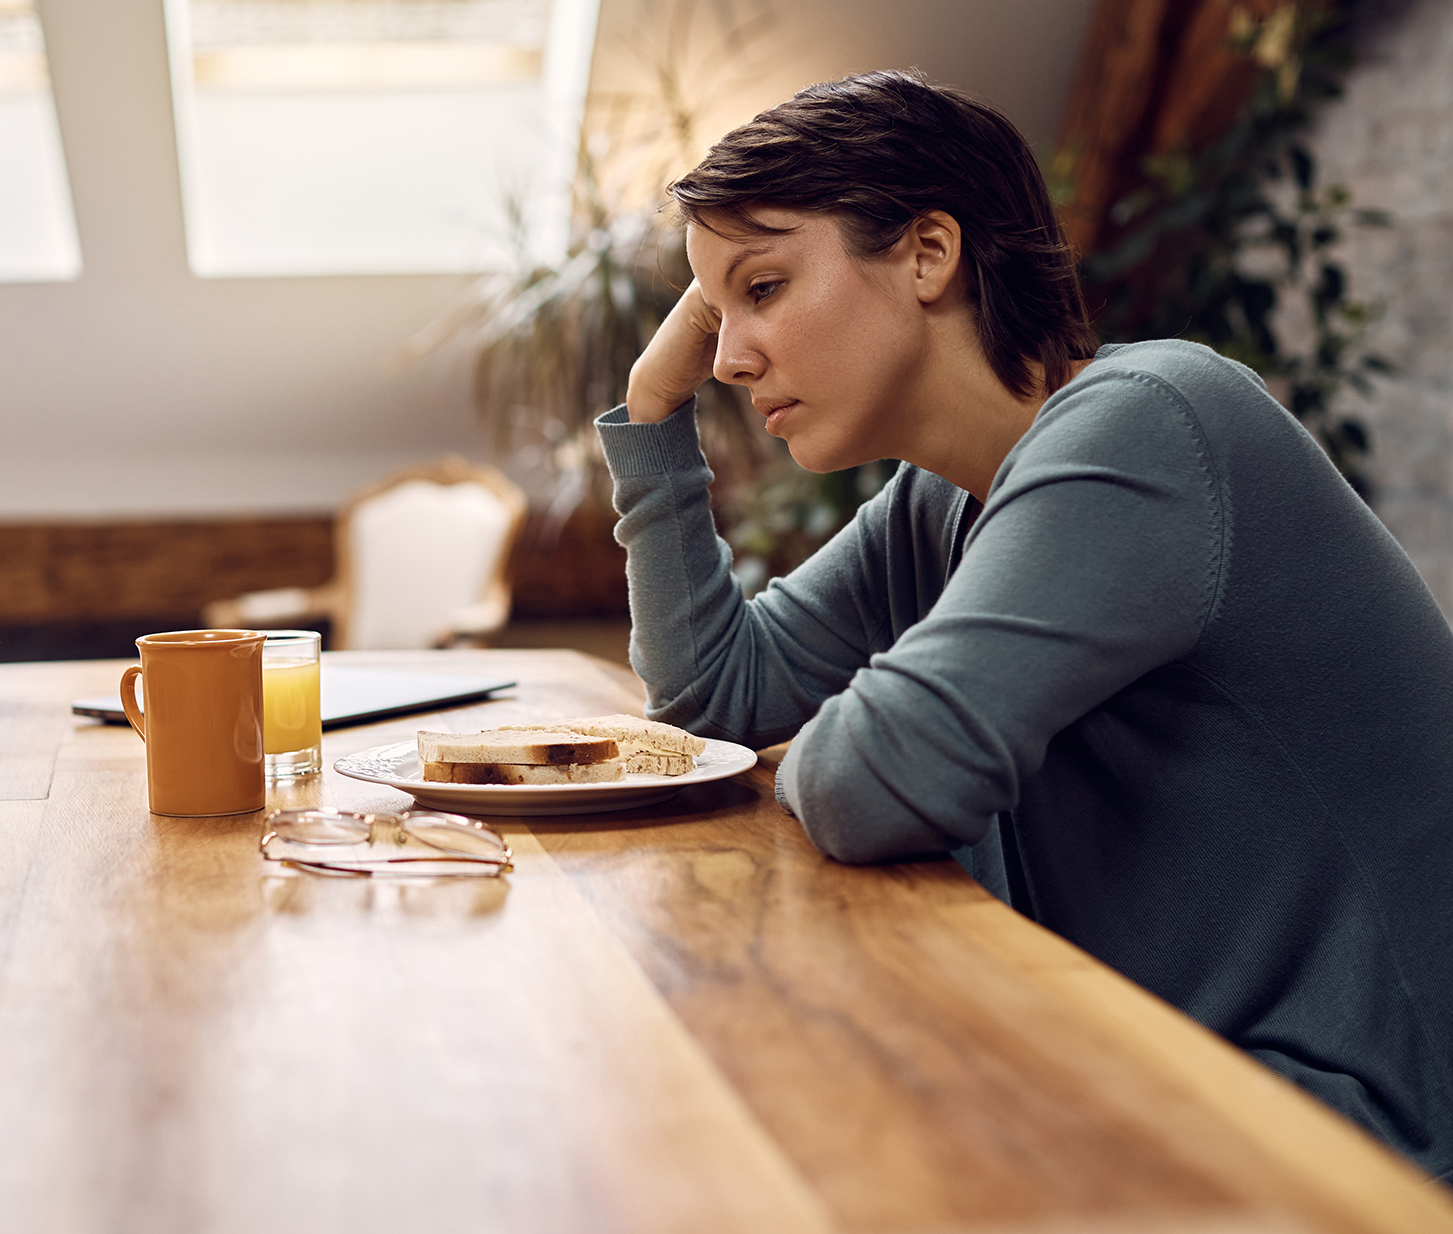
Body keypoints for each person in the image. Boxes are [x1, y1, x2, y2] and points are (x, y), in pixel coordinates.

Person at [596, 69, 1453, 1183]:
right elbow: (714, 696)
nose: (727, 355)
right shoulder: (937, 500)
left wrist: (845, 743)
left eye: (762, 287)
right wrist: (653, 417)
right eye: (714, 310)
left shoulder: (1152, 424)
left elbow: (878, 784)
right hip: (1160, 1064)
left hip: (1347, 1123)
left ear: (926, 254)